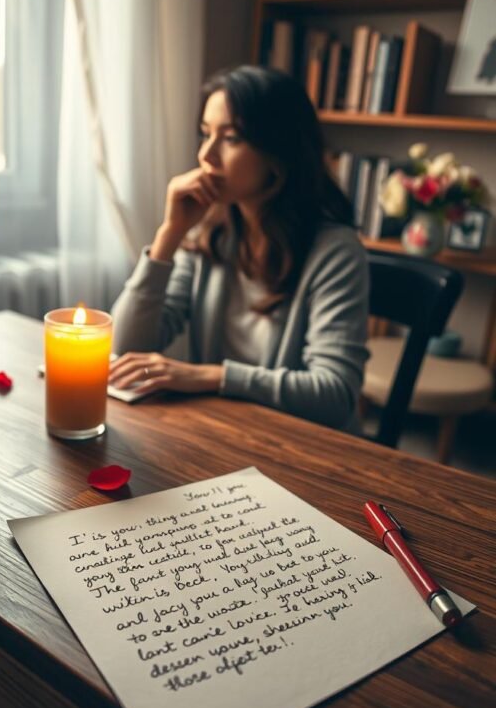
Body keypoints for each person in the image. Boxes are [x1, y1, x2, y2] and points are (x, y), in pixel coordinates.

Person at [109, 65, 369, 432]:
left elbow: (334, 393)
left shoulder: (336, 252)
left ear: (279, 151)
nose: (206, 156)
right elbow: (126, 344)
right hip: (229, 433)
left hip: (303, 447)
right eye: (205, 135)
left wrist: (211, 376)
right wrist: (171, 232)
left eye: (230, 139)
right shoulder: (210, 234)